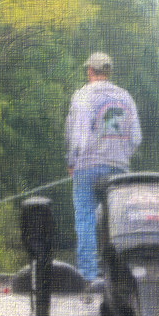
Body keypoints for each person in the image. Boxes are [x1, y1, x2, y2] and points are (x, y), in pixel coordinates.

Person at [65, 52, 142, 280]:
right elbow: (136, 138)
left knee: (85, 217)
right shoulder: (125, 97)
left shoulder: (82, 96)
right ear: (108, 72)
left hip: (87, 167)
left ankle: (88, 275)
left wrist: (71, 161)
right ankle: (116, 274)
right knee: (117, 221)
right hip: (118, 169)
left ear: (90, 71)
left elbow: (77, 135)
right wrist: (121, 158)